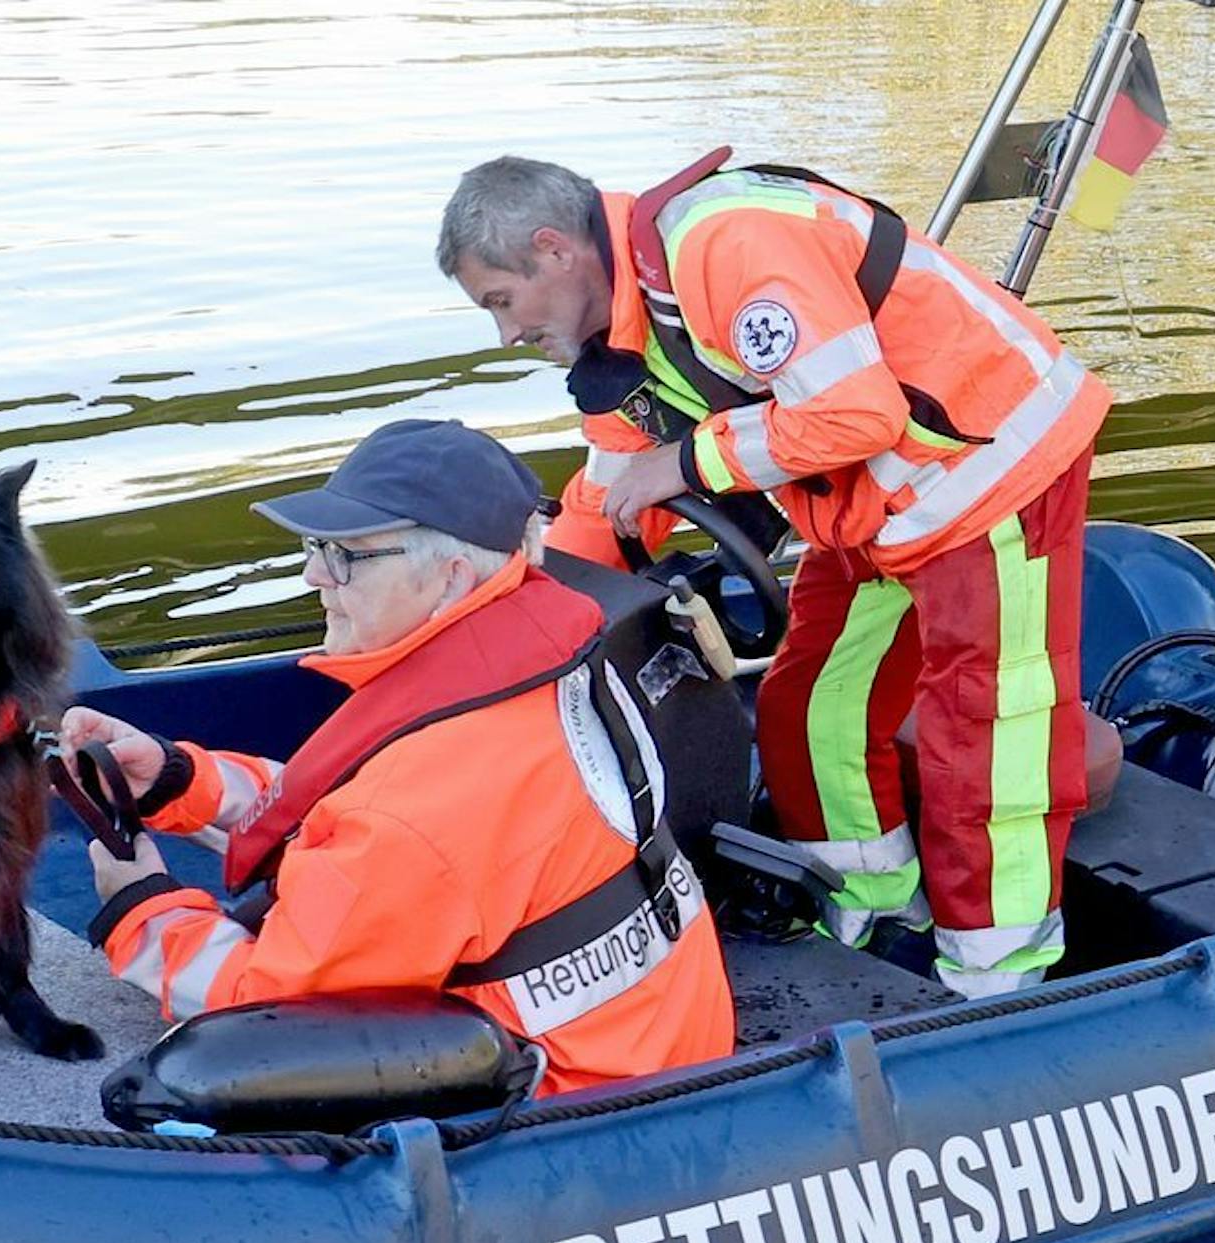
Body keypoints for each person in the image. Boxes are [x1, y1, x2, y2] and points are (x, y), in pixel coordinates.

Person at [437, 152, 1111, 996]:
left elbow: (858, 413)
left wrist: (689, 460)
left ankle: (997, 982)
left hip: (990, 468)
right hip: (874, 509)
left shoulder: (725, 244)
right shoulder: (622, 333)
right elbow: (609, 499)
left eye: (502, 302)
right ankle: (872, 917)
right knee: (808, 710)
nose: (506, 334)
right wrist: (516, 625)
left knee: (985, 733)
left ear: (554, 250)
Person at [63, 418, 734, 1097]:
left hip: (576, 1102)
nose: (312, 574)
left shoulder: (417, 807)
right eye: (315, 546)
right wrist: (181, 779)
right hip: (668, 1033)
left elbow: (265, 1005)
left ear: (450, 578)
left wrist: (140, 909)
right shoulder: (555, 663)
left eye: (345, 555)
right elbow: (342, 811)